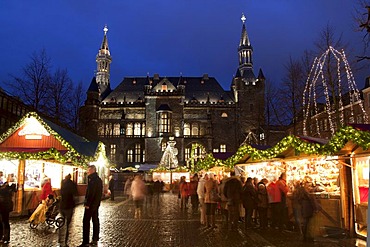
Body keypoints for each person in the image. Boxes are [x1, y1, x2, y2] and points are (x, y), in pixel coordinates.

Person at [78, 165, 103, 247]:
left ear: (92, 170)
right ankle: (95, 239)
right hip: (96, 204)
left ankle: (85, 241)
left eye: (88, 170)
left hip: (91, 204)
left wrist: (87, 204)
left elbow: (91, 193)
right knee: (95, 220)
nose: (87, 172)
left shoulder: (93, 180)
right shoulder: (98, 179)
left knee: (86, 221)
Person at [58, 174, 78, 247]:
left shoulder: (62, 182)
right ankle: (65, 242)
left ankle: (60, 241)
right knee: (67, 224)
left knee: (61, 223)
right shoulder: (72, 184)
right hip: (69, 205)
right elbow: (75, 194)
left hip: (62, 205)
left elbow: (61, 192)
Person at [0, 174, 16, 244]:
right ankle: (3, 237)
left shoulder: (8, 186)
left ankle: (5, 237)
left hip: (4, 206)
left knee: (4, 221)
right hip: (4, 205)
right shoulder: (6, 186)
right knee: (3, 221)